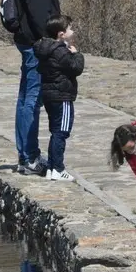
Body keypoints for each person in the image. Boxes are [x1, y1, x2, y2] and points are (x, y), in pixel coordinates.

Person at [12, 0, 63, 176]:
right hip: (36, 43)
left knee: (26, 98)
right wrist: (52, 40)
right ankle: (29, 158)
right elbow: (39, 9)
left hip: (31, 41)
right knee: (32, 99)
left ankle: (26, 156)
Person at [33, 15, 84, 181]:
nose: (72, 30)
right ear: (61, 34)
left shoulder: (44, 48)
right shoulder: (60, 51)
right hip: (62, 95)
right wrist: (77, 54)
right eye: (70, 28)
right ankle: (58, 169)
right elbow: (75, 68)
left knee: (55, 132)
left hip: (49, 95)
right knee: (61, 132)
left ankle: (51, 167)